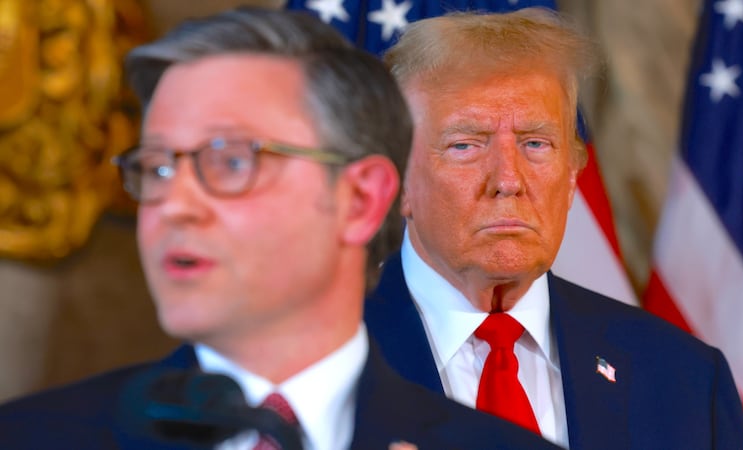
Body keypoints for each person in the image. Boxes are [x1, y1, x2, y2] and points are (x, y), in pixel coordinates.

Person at [0, 7, 561, 450]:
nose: (174, 204)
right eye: (158, 167)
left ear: (361, 199)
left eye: (230, 160)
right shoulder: (29, 438)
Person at [364, 7, 743, 450]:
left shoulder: (684, 381)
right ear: (397, 179)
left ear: (572, 175)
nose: (508, 180)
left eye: (535, 143)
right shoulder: (309, 358)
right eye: (466, 145)